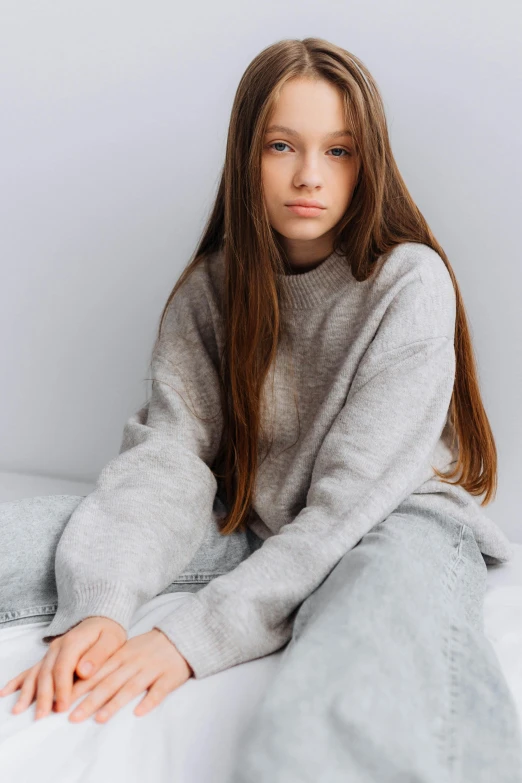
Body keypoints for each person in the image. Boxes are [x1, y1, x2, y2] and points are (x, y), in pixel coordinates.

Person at [1, 36, 521, 781]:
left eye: (339, 151)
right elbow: (171, 462)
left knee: (363, 652)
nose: (309, 175)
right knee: (49, 533)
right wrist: (101, 605)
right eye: (282, 145)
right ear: (247, 153)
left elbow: (346, 508)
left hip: (393, 519)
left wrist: (188, 639)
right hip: (253, 515)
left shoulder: (410, 284)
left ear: (367, 161)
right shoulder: (211, 290)